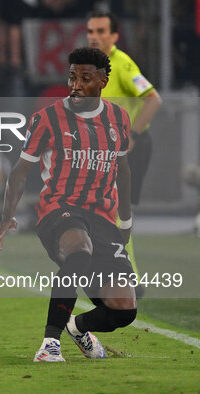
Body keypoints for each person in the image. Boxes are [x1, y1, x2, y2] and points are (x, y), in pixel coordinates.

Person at [0, 47, 137, 362]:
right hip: (59, 210)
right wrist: (7, 215)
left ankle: (76, 327)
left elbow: (124, 172)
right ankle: (50, 344)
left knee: (123, 309)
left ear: (103, 81)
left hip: (102, 218)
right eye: (72, 76)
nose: (75, 85)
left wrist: (125, 222)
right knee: (79, 252)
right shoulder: (47, 119)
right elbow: (20, 171)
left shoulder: (119, 118)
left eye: (85, 78)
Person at [87, 10, 162, 278]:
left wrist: (133, 134)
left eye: (101, 31)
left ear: (115, 36)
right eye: (91, 31)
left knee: (115, 211)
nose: (94, 36)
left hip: (130, 148)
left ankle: (129, 276)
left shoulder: (123, 65)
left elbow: (153, 99)